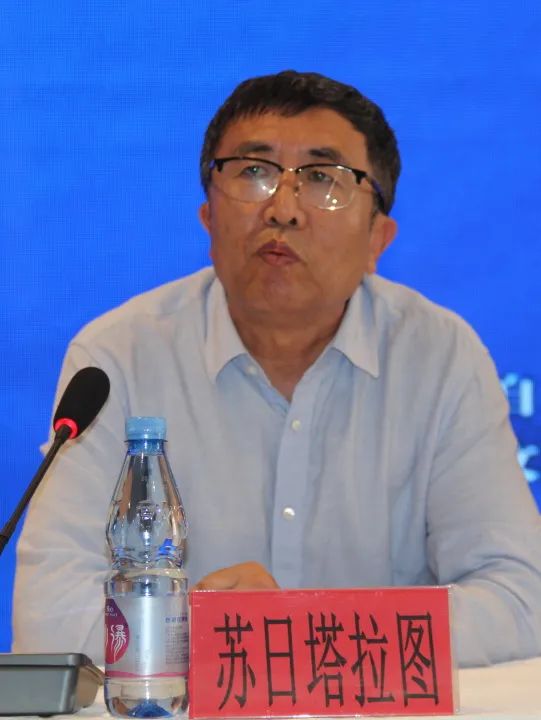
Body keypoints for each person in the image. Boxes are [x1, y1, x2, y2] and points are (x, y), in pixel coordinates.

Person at [12, 70, 541, 667]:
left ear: (378, 238)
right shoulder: (118, 356)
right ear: (208, 217)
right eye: (254, 172)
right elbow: (49, 619)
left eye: (323, 178)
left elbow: (522, 604)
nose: (283, 209)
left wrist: (293, 632)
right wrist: (219, 628)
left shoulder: (440, 356)